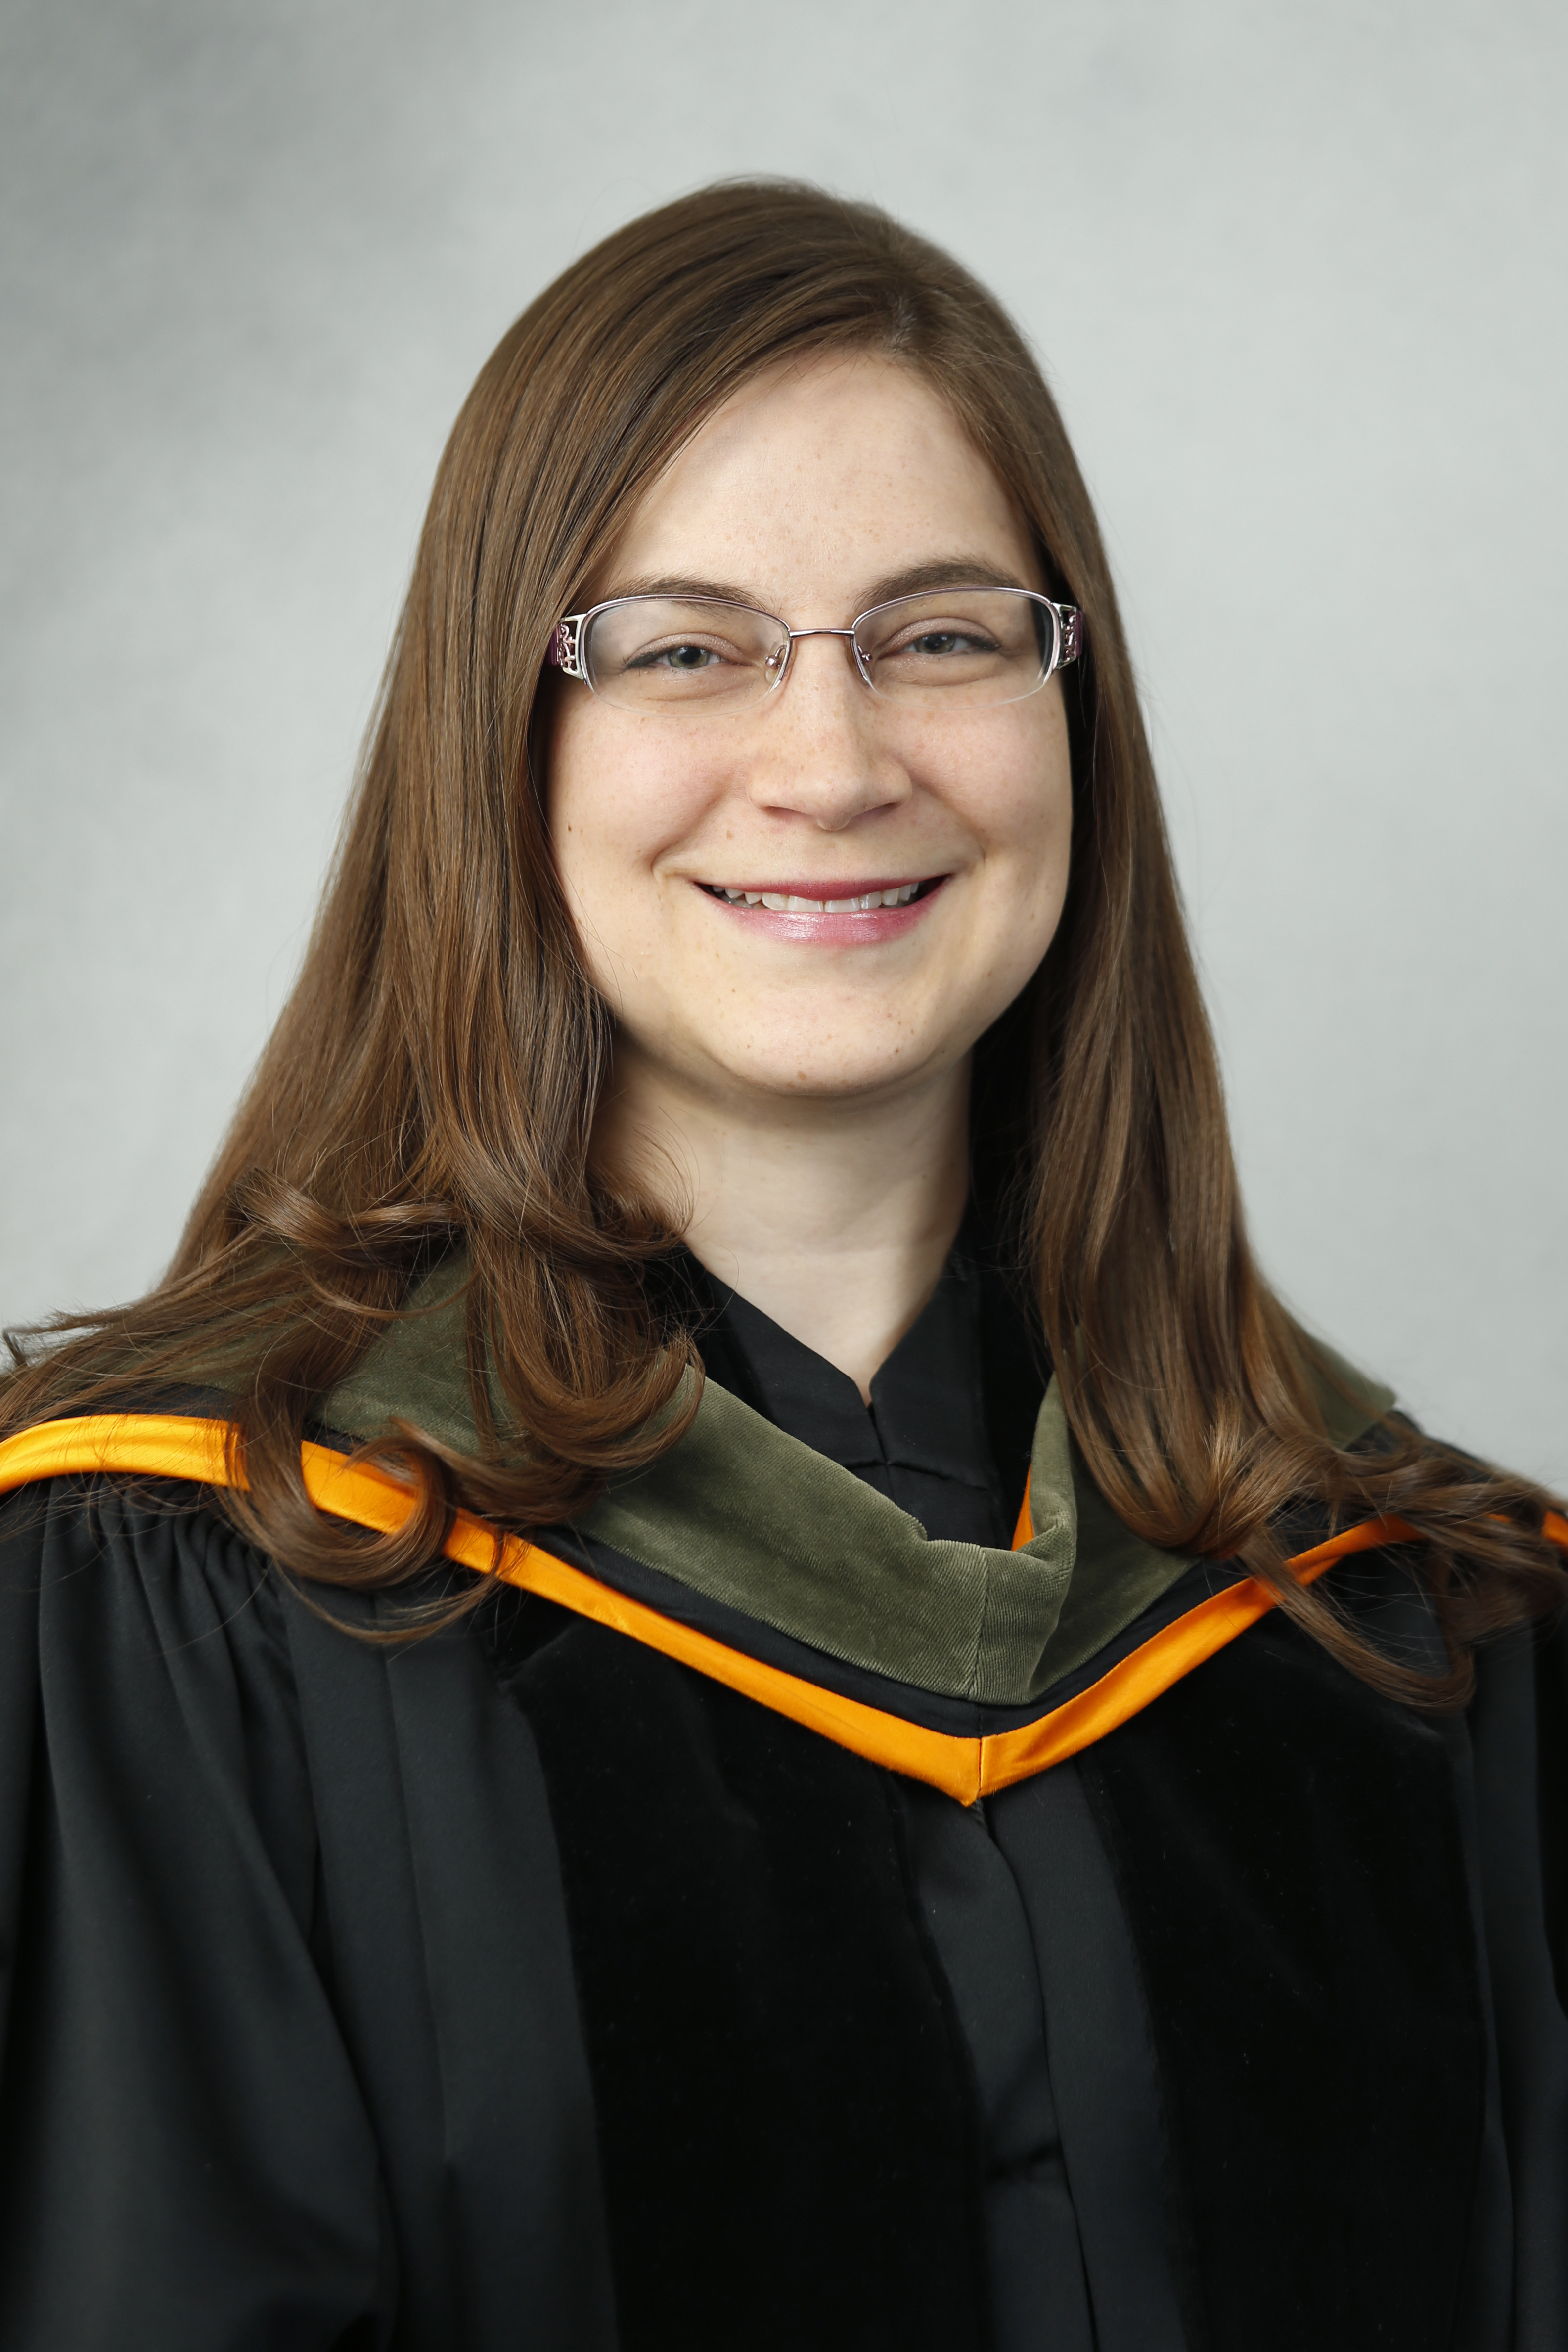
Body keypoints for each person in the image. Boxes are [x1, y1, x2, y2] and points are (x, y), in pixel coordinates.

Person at [0, 180, 1564, 2352]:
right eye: (682, 645)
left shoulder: (1417, 1619)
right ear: (502, 746)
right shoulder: (192, 1582)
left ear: (1069, 711)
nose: (829, 762)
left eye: (940, 635)